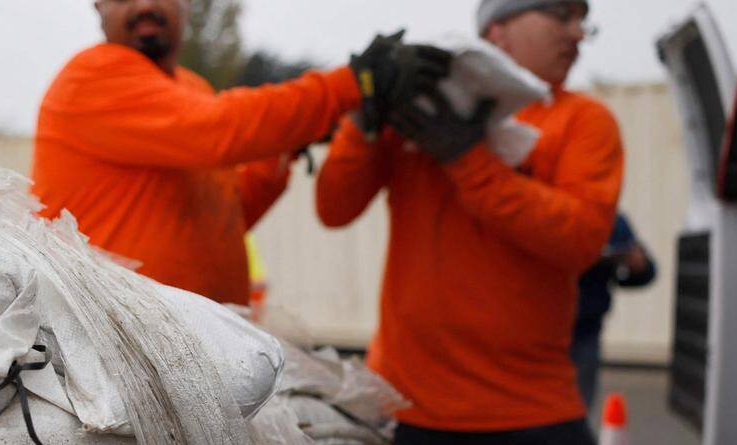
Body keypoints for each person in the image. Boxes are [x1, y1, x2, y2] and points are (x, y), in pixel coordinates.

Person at [315, 0, 643, 445]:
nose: (578, 31)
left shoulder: (582, 121)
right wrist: (364, 123)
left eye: (584, 19)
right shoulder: (417, 111)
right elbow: (334, 206)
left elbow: (578, 239)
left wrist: (467, 159)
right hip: (416, 403)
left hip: (532, 405)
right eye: (561, 14)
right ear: (499, 28)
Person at [31, 0, 450, 306]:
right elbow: (222, 129)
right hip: (109, 346)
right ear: (98, 6)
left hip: (192, 346)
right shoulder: (92, 75)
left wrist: (282, 146)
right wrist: (349, 85)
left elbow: (224, 219)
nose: (144, 6)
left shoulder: (191, 88)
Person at [473, 212, 658, 445]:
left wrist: (635, 265)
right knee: (507, 421)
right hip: (527, 336)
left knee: (570, 425)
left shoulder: (607, 219)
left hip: (580, 338)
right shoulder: (531, 208)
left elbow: (641, 272)